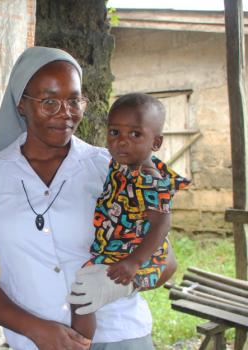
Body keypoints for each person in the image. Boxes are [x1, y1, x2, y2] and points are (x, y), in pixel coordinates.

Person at [0, 46, 177, 350]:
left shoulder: (111, 168)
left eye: (74, 100)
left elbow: (166, 261)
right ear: (21, 104)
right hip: (35, 344)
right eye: (49, 101)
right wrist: (35, 329)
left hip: (121, 336)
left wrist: (120, 285)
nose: (65, 114)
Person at [68, 93, 190, 339]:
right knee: (81, 295)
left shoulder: (150, 179)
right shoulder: (120, 164)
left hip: (137, 255)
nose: (122, 142)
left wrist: (134, 262)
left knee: (82, 296)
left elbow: (161, 225)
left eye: (135, 134)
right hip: (118, 249)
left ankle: (80, 342)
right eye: (114, 132)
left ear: (156, 143)